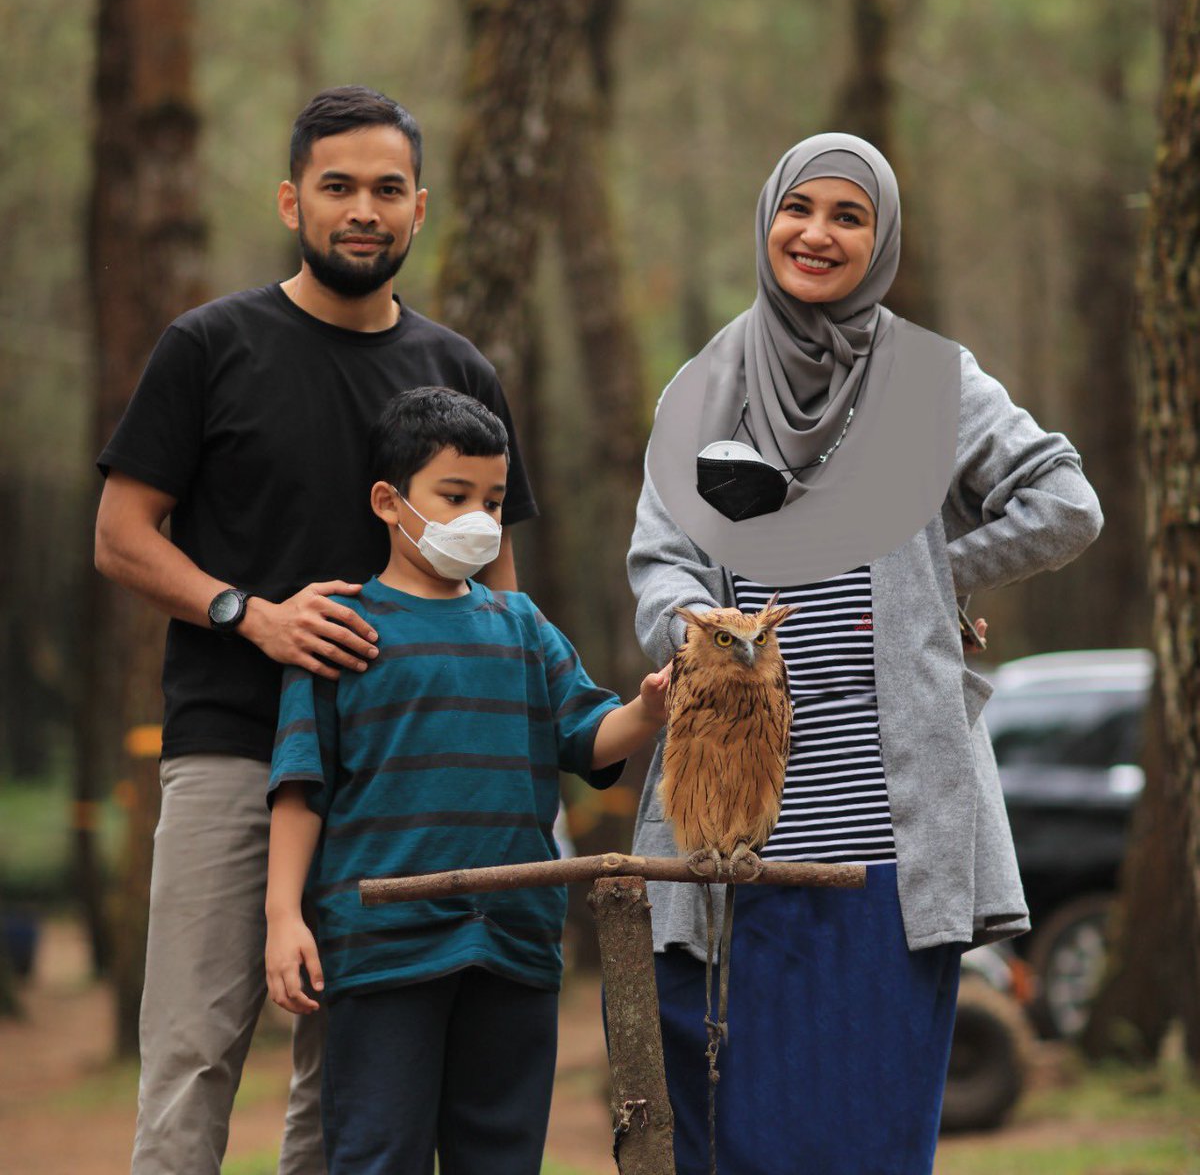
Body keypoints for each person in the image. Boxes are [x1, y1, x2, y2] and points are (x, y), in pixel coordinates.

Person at [627, 134, 1103, 1174]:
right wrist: (701, 635)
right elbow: (660, 565)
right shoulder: (705, 387)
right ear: (767, 220)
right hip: (729, 833)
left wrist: (928, 581)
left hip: (883, 855)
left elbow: (1066, 505)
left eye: (851, 215)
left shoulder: (930, 380)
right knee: (731, 1135)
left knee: (868, 1138)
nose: (820, 232)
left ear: (880, 238)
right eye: (802, 207)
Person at [94, 86, 537, 1175]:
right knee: (196, 1053)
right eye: (337, 187)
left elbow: (501, 585)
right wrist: (252, 616)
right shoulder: (209, 346)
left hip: (397, 777)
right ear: (293, 200)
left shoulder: (461, 371)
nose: (362, 209)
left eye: (387, 189)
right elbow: (120, 535)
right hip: (234, 746)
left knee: (346, 1086)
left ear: (420, 209)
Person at [265, 386, 669, 1174]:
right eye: (453, 496)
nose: (477, 519)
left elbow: (587, 738)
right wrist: (284, 916)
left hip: (516, 942)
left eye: (492, 499)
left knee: (503, 1154)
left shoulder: (522, 626)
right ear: (389, 501)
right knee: (379, 1153)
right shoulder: (342, 629)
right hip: (383, 948)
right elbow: (299, 785)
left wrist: (651, 710)